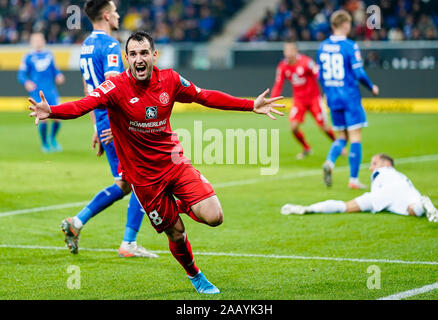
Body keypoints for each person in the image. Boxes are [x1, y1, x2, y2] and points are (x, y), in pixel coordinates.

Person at [28, 31, 285, 294]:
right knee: (177, 234)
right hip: (145, 181)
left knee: (215, 217)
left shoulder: (170, 80)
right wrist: (52, 111)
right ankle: (195, 275)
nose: (139, 59)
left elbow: (204, 96)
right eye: (133, 54)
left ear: (154, 55)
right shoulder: (115, 87)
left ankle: (180, 205)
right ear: (126, 59)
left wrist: (250, 105)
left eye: (143, 53)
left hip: (174, 164)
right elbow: (84, 104)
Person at [60, 0, 157, 258]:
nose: (117, 14)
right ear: (106, 15)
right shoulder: (111, 45)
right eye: (114, 11)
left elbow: (87, 89)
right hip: (116, 121)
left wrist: (97, 124)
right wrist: (119, 126)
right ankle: (129, 243)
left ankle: (76, 222)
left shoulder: (85, 46)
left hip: (103, 119)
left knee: (124, 183)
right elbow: (114, 88)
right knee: (143, 179)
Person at [316, 10, 379, 189]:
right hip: (349, 97)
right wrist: (372, 86)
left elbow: (320, 75)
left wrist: (326, 91)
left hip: (333, 97)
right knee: (355, 137)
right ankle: (353, 179)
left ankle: (330, 162)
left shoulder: (322, 47)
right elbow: (359, 72)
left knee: (341, 137)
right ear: (345, 25)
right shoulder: (350, 46)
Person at [281, 153, 438, 223]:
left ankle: (309, 208)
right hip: (410, 191)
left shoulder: (383, 171)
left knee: (345, 206)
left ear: (386, 164)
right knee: (413, 209)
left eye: (374, 163)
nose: (371, 168)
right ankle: (423, 205)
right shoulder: (402, 176)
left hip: (384, 193)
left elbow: (380, 186)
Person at [271, 41, 336, 159]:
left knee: (323, 127)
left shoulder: (307, 62)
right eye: (286, 51)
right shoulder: (282, 66)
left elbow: (320, 76)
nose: (288, 53)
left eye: (290, 50)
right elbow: (278, 84)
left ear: (296, 51)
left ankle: (338, 146)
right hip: (299, 101)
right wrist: (272, 100)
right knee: (293, 128)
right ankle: (307, 148)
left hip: (314, 99)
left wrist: (328, 91)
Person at [18, 32, 65, 153]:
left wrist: (59, 75)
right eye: (36, 40)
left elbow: (55, 70)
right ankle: (45, 144)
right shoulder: (27, 57)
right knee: (44, 118)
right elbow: (21, 74)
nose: (38, 42)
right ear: (31, 42)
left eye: (40, 39)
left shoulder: (49, 54)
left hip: (51, 91)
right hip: (37, 93)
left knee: (58, 118)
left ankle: (52, 139)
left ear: (44, 41)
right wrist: (26, 82)